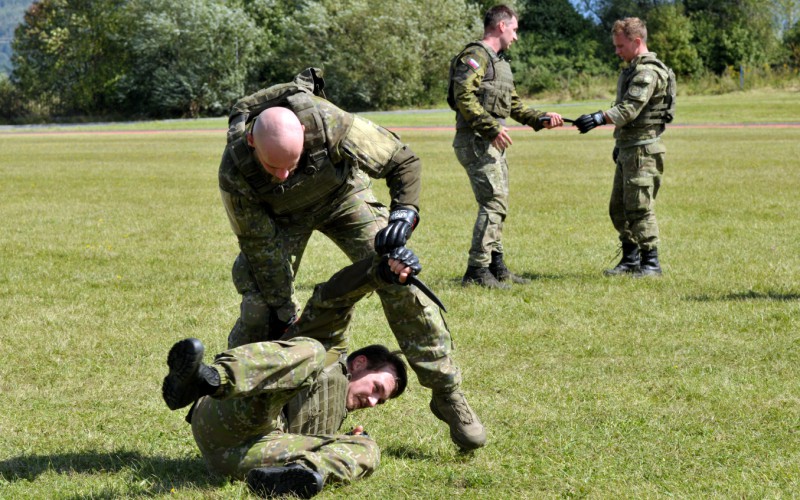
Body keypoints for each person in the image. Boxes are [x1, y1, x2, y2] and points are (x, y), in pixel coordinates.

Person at [218, 71, 485, 451]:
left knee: (399, 278)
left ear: (304, 137)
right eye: (274, 168)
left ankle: (447, 392)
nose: (285, 174)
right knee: (261, 305)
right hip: (282, 218)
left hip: (343, 196)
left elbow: (402, 160)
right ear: (251, 142)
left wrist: (403, 215)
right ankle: (226, 394)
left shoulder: (327, 122)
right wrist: (282, 308)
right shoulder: (235, 170)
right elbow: (259, 244)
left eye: (292, 163)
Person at [161, 253, 413, 498]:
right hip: (230, 414)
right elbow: (335, 297)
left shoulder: (336, 421)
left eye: (380, 401)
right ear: (359, 363)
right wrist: (379, 271)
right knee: (313, 350)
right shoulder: (332, 351)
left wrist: (342, 443)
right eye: (376, 389)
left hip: (252, 457)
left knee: (368, 447)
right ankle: (209, 380)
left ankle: (294, 477)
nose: (372, 402)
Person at [448, 4, 564, 289]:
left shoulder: (499, 63)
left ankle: (495, 266)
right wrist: (492, 128)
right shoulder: (475, 56)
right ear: (501, 26)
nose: (516, 36)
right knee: (493, 202)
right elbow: (463, 95)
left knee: (498, 203)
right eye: (514, 29)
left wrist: (541, 118)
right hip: (477, 140)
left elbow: (512, 104)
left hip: (490, 141)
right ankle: (477, 271)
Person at [574, 17, 676, 277]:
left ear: (637, 41)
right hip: (629, 147)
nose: (617, 51)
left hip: (643, 151)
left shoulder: (647, 73)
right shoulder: (633, 70)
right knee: (619, 208)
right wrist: (619, 142)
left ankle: (650, 263)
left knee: (639, 207)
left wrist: (599, 118)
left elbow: (630, 109)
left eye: (620, 46)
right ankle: (631, 259)